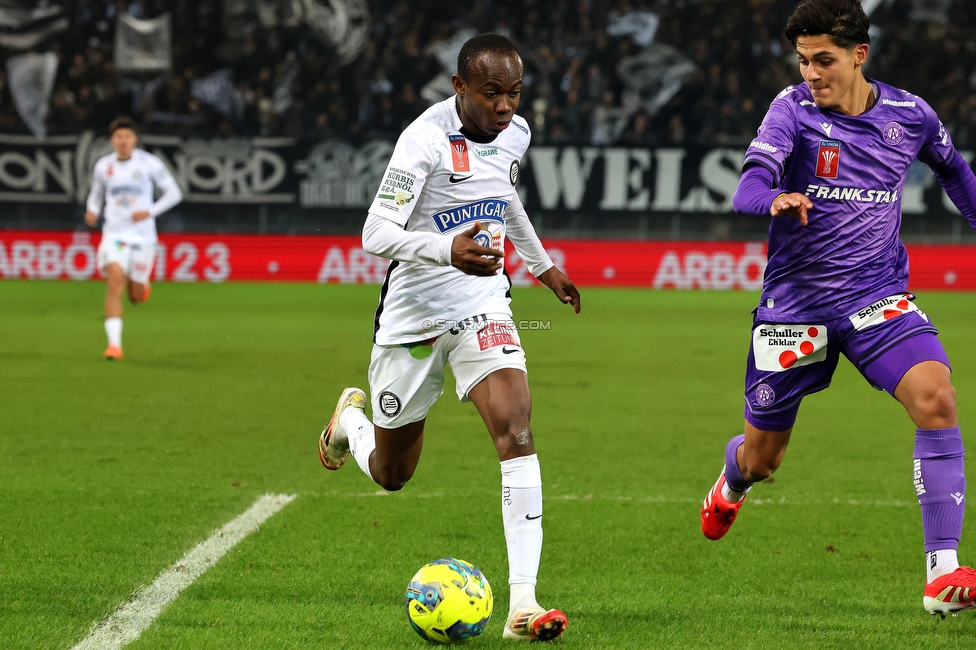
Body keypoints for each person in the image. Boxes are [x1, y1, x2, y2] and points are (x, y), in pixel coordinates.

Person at [700, 0, 976, 618]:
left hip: (877, 297)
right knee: (763, 458)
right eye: (802, 61)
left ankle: (943, 574)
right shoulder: (790, 111)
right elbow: (746, 187)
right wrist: (773, 198)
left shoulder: (910, 115)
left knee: (938, 398)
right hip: (794, 310)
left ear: (859, 55)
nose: (811, 74)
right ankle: (733, 479)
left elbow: (955, 171)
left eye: (823, 60)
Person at [318, 33, 579, 641]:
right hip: (413, 314)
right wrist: (445, 250)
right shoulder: (424, 141)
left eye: (514, 93)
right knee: (392, 472)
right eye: (492, 93)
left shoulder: (517, 135)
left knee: (517, 429)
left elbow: (503, 195)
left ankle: (523, 605)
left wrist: (540, 265)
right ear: (460, 87)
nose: (506, 106)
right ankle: (348, 426)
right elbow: (374, 233)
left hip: (482, 301)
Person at [84, 117, 183, 359]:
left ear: (134, 139)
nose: (123, 141)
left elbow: (174, 193)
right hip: (115, 234)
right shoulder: (103, 166)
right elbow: (96, 194)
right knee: (114, 281)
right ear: (112, 140)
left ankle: (142, 286)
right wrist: (92, 210)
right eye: (118, 137)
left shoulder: (149, 163)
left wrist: (149, 211)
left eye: (127, 136)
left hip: (143, 237)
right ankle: (114, 345)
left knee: (135, 296)